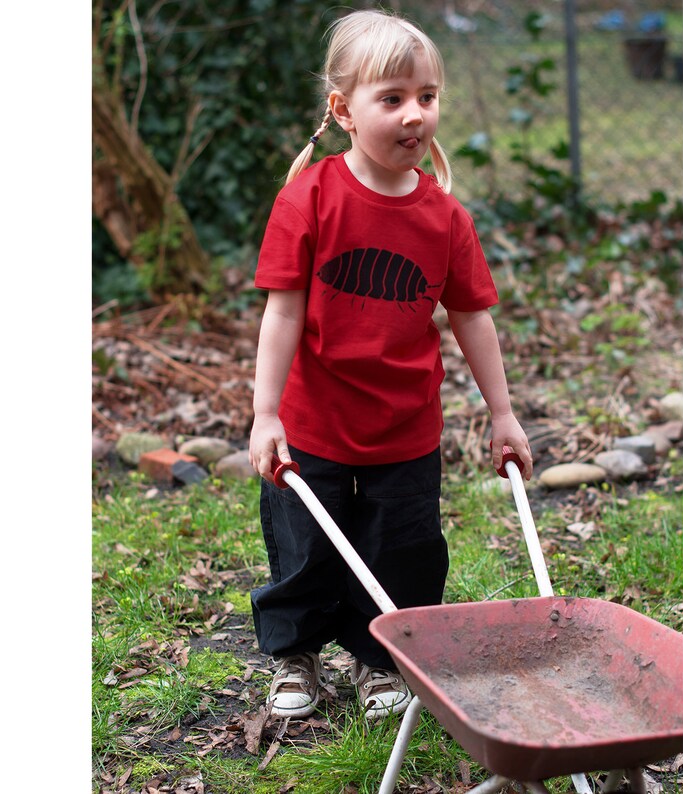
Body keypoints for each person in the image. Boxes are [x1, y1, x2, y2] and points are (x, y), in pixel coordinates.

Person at [248, 8, 532, 721]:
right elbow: (281, 313)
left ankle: (382, 661)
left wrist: (503, 413)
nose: (416, 114)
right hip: (314, 424)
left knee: (401, 553)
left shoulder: (445, 219)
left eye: (428, 97)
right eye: (393, 98)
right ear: (344, 109)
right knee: (306, 550)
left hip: (405, 430)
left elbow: (472, 316)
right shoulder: (308, 199)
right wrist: (265, 414)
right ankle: (296, 656)